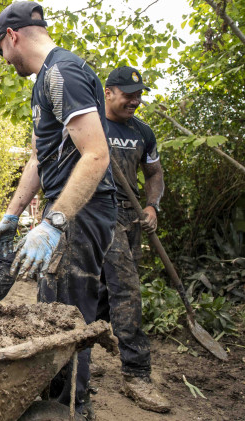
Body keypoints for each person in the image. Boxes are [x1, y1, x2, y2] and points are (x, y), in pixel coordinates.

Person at [0, 1, 117, 418]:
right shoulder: (44, 81)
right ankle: (53, 398)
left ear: (13, 36)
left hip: (81, 213)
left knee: (68, 315)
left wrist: (55, 223)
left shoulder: (63, 73)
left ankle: (71, 410)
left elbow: (96, 155)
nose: (4, 59)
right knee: (50, 311)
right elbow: (38, 160)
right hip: (64, 213)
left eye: (1, 49)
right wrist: (12, 214)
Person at [96, 66, 170, 412]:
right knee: (126, 287)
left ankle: (81, 344)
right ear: (109, 91)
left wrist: (152, 206)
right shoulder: (90, 121)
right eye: (129, 94)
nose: (135, 101)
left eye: (139, 94)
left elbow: (154, 172)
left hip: (131, 215)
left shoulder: (143, 132)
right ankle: (137, 372)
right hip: (96, 210)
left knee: (106, 289)